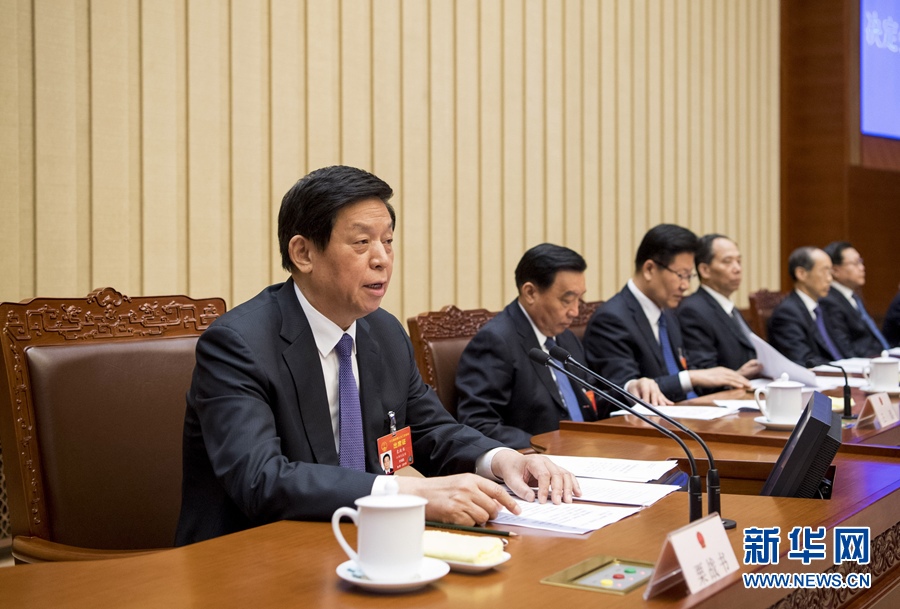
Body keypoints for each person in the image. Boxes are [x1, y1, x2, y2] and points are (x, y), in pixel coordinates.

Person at [176, 165, 578, 545]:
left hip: (363, 542)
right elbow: (260, 479)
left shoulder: (383, 332)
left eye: (387, 241)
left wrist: (500, 459)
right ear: (303, 253)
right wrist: (406, 492)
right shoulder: (238, 344)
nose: (382, 258)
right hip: (251, 555)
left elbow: (431, 429)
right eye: (361, 242)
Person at [582, 224, 751, 407]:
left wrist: (730, 378)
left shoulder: (667, 314)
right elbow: (624, 391)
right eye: (681, 275)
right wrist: (690, 378)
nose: (685, 286)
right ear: (649, 269)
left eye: (689, 276)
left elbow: (684, 372)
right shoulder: (612, 319)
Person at [455, 244, 604, 450]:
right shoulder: (495, 341)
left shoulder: (565, 337)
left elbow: (589, 396)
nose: (575, 311)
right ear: (530, 292)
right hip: (539, 460)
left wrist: (632, 392)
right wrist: (545, 446)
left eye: (580, 299)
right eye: (567, 300)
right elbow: (479, 424)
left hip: (588, 451)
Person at [676, 234, 762, 378]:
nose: (737, 268)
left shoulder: (729, 307)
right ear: (705, 270)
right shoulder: (693, 310)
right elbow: (704, 371)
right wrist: (737, 376)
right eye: (728, 262)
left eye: (739, 261)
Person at [768, 246, 839, 367]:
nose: (830, 279)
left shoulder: (824, 307)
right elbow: (802, 358)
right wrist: (840, 369)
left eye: (830, 272)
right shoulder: (787, 313)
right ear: (801, 274)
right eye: (824, 271)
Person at [819, 241, 890, 357]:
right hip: (862, 363)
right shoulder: (829, 301)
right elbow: (845, 348)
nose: (862, 268)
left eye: (861, 262)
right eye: (855, 263)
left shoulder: (853, 296)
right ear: (835, 271)